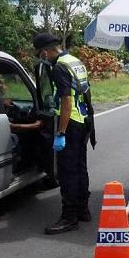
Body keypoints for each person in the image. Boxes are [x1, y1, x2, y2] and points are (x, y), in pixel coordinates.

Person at [33, 33, 96, 234]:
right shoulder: (75, 61)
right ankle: (83, 210)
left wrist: (61, 132)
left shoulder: (59, 67)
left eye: (41, 55)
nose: (43, 58)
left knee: (67, 172)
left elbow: (67, 101)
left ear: (44, 51)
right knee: (80, 167)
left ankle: (69, 218)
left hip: (70, 124)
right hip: (84, 120)